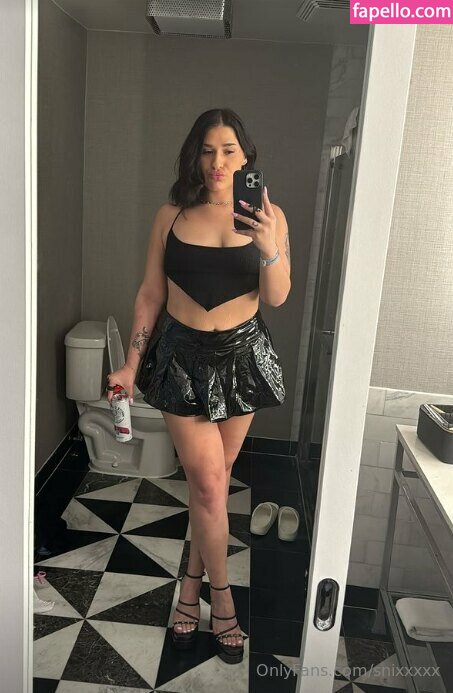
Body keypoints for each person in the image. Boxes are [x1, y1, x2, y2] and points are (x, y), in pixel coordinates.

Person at [106, 108, 291, 665]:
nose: (217, 162)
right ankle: (223, 600)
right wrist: (130, 366)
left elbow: (277, 296)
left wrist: (269, 245)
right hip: (181, 358)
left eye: (229, 150)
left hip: (243, 358)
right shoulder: (171, 215)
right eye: (208, 150)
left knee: (212, 486)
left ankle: (189, 585)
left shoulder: (269, 216)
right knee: (209, 487)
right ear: (195, 154)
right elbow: (150, 294)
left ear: (246, 156)